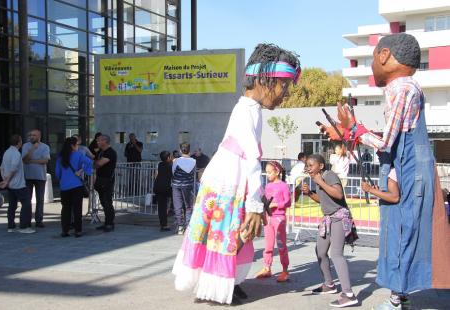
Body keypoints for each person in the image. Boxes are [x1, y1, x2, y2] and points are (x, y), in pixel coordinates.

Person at [323, 33, 449, 309]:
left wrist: (352, 130)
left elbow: (386, 142)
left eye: (373, 59)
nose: (372, 67)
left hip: (408, 171)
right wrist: (347, 133)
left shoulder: (400, 88)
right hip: (406, 168)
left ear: (384, 56)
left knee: (403, 234)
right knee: (406, 232)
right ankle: (400, 294)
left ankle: (396, 299)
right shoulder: (407, 87)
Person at [172, 43, 301, 305]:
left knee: (228, 232)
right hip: (230, 179)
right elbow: (252, 157)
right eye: (283, 85)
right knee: (227, 232)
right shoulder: (247, 110)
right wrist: (255, 204)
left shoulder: (250, 108)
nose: (285, 93)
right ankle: (218, 284)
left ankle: (224, 281)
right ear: (264, 80)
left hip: (231, 177)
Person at [302, 154, 358, 308]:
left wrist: (320, 182)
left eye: (311, 165)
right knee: (320, 251)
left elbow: (338, 194)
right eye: (307, 165)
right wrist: (310, 193)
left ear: (320, 166)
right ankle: (329, 284)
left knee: (336, 254)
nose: (308, 168)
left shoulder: (329, 175)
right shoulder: (318, 179)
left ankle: (349, 294)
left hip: (339, 218)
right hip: (328, 218)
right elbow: (324, 199)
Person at [255, 161, 291, 282]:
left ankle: (285, 270)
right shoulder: (268, 186)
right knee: (268, 245)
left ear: (277, 172)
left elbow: (288, 202)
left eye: (270, 172)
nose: (268, 174)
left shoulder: (284, 186)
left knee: (281, 244)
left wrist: (276, 204)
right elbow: (266, 201)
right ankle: (267, 267)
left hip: (279, 218)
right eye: (267, 172)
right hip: (268, 219)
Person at [55, 137, 93, 238]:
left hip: (64, 186)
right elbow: (90, 162)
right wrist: (81, 170)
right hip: (77, 185)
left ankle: (65, 230)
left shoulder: (60, 156)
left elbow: (57, 173)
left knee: (65, 209)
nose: (78, 146)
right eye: (77, 144)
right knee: (77, 209)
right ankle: (78, 231)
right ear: (73, 145)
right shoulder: (79, 154)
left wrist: (61, 180)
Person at [0, 134, 35, 234]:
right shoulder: (16, 154)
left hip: (10, 185)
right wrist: (7, 180)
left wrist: (5, 179)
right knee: (26, 204)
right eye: (21, 141)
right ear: (19, 142)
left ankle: (11, 226)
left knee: (12, 205)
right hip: (18, 184)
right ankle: (23, 227)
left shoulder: (6, 152)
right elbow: (14, 168)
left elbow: (1, 167)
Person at [22, 129, 50, 228]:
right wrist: (33, 149)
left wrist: (32, 161)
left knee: (40, 199)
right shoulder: (26, 146)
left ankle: (39, 220)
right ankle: (27, 220)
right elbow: (25, 160)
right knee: (27, 199)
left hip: (40, 177)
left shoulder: (45, 147)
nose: (31, 137)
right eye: (30, 135)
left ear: (39, 136)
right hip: (28, 176)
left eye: (34, 135)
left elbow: (45, 160)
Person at [171, 142, 196, 235]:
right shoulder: (194, 161)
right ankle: (188, 226)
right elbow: (194, 173)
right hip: (188, 186)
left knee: (177, 205)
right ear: (189, 150)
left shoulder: (176, 161)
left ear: (180, 150)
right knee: (188, 206)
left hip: (176, 185)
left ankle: (180, 226)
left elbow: (173, 172)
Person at [94, 134, 117, 232]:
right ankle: (106, 222)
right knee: (103, 201)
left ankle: (110, 223)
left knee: (107, 202)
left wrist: (94, 163)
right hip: (100, 179)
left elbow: (98, 163)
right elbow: (96, 162)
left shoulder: (110, 152)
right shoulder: (100, 151)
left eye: (99, 140)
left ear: (105, 141)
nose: (97, 142)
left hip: (107, 180)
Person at [154, 150, 172, 231]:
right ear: (168, 158)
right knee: (167, 205)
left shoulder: (160, 164)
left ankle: (163, 224)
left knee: (161, 207)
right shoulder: (170, 166)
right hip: (166, 187)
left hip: (158, 186)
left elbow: (156, 175)